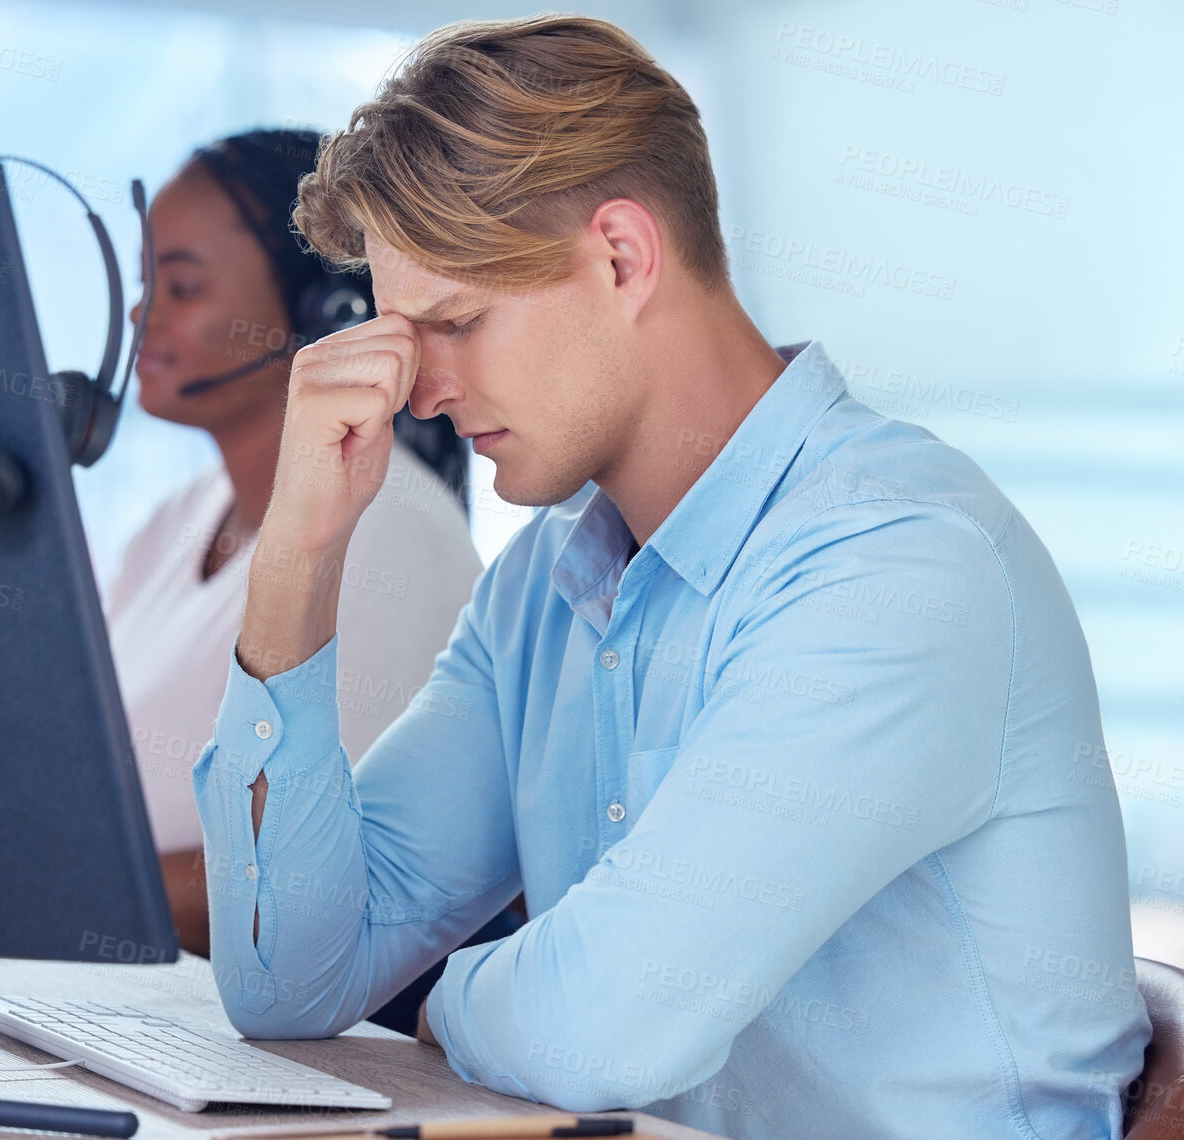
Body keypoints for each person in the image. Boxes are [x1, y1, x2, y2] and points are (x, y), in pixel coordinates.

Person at [189, 16, 1149, 1140]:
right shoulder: (543, 585)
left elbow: (601, 1032)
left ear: (621, 258)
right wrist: (298, 556)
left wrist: (446, 1004)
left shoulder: (895, 565)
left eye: (454, 324)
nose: (416, 393)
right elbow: (285, 985)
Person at [102, 129, 487, 968]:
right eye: (145, 283)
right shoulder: (172, 523)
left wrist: (51, 886)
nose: (141, 315)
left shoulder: (383, 529)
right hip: (139, 997)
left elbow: (313, 882)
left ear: (328, 317)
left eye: (183, 286)